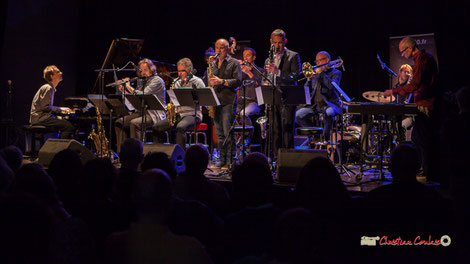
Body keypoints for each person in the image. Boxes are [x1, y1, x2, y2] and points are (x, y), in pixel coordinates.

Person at [384, 37, 439, 180]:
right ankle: (425, 170)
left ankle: (428, 173)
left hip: (425, 104)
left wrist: (393, 91)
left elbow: (415, 85)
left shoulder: (421, 60)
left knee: (422, 140)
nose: (402, 55)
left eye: (402, 52)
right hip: (425, 103)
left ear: (409, 48)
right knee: (418, 138)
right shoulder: (424, 58)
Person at [263, 29, 301, 157]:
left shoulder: (293, 56)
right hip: (273, 98)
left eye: (280, 42)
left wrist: (278, 72)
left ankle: (288, 158)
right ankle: (276, 158)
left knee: (287, 129)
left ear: (285, 41)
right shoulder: (268, 59)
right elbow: (265, 77)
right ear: (271, 42)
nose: (278, 45)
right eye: (275, 42)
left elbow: (296, 77)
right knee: (274, 130)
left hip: (288, 97)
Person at [114, 58, 166, 151]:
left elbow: (143, 94)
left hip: (154, 114)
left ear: (152, 69)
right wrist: (124, 90)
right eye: (141, 71)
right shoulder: (142, 81)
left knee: (135, 123)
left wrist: (128, 86)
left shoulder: (157, 80)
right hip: (141, 112)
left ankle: (137, 153)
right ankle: (122, 154)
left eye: (145, 70)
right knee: (119, 122)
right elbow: (134, 102)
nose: (143, 73)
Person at [153, 58, 205, 149]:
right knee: (156, 127)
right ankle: (159, 153)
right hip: (179, 114)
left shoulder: (198, 82)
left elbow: (204, 100)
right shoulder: (177, 82)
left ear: (189, 70)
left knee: (180, 127)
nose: (179, 74)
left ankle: (181, 156)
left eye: (182, 71)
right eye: (178, 71)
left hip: (193, 114)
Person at [208, 38, 242, 168]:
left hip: (228, 100)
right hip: (215, 101)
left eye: (222, 48)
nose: (219, 50)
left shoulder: (234, 63)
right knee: (219, 132)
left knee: (228, 131)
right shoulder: (213, 63)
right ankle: (222, 159)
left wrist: (221, 81)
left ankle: (231, 160)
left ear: (228, 49)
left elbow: (238, 81)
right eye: (217, 48)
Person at [295, 51, 342, 142]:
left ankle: (326, 138)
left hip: (330, 104)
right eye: (316, 61)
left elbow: (331, 88)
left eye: (319, 61)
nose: (317, 64)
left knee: (328, 113)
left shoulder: (336, 73)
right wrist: (309, 80)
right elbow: (306, 90)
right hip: (314, 106)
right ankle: (316, 133)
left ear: (327, 60)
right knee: (297, 115)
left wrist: (322, 74)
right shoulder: (315, 73)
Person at [29, 65, 74, 138]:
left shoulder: (50, 88)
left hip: (41, 117)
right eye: (58, 72)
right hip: (40, 118)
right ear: (52, 76)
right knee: (68, 126)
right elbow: (45, 107)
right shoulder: (48, 88)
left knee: (62, 123)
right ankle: (59, 148)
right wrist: (60, 109)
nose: (61, 73)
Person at [237, 48, 263, 125]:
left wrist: (248, 72)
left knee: (243, 114)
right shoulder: (241, 72)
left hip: (255, 102)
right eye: (244, 56)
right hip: (242, 102)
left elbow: (260, 84)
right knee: (230, 113)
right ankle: (239, 134)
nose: (245, 58)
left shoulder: (260, 71)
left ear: (254, 57)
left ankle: (248, 134)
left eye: (248, 55)